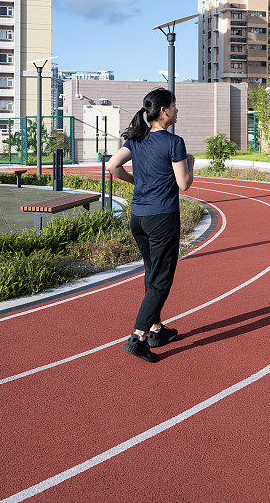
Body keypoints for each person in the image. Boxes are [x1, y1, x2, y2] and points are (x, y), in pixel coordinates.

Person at [106, 88, 195, 362]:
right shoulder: (174, 142)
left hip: (139, 218)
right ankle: (139, 337)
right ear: (165, 111)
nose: (177, 111)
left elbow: (112, 166)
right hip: (163, 218)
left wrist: (136, 182)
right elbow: (184, 184)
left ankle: (156, 328)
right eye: (175, 106)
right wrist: (190, 163)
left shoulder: (137, 138)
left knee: (151, 272)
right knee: (161, 279)